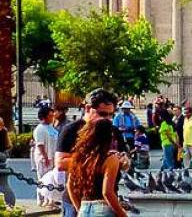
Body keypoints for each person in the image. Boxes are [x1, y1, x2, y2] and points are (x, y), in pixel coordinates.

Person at [56, 88, 122, 217]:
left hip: (105, 201)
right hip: (77, 198)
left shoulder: (112, 130)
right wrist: (97, 161)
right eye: (102, 114)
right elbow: (60, 163)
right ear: (88, 108)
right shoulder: (71, 130)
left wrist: (123, 162)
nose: (108, 118)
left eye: (111, 115)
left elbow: (122, 156)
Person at [66, 119, 128, 217]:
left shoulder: (79, 158)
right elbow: (107, 192)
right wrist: (122, 214)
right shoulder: (110, 159)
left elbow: (70, 186)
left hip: (84, 206)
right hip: (104, 208)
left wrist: (79, 208)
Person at [32, 105, 58, 195]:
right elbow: (40, 145)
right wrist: (45, 157)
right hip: (44, 159)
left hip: (53, 157)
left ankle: (50, 198)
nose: (52, 118)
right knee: (43, 179)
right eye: (50, 116)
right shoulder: (40, 129)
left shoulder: (51, 127)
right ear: (44, 116)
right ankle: (41, 198)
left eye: (52, 116)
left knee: (51, 180)